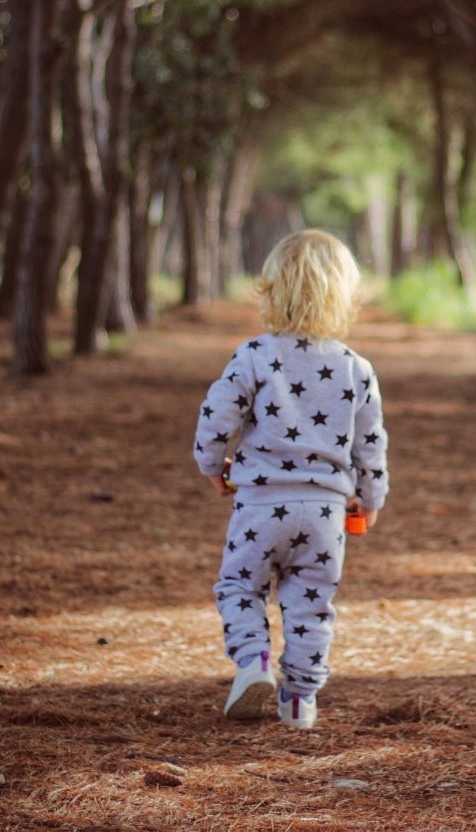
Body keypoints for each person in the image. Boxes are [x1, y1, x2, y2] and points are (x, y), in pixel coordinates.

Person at [192, 229, 390, 729]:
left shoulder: (255, 355)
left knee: (240, 586)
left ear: (271, 291)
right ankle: (300, 700)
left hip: (261, 505)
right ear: (344, 297)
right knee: (311, 605)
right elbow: (371, 445)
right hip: (324, 514)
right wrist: (370, 498)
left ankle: (254, 662)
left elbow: (217, 415)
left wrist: (213, 466)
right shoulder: (356, 369)